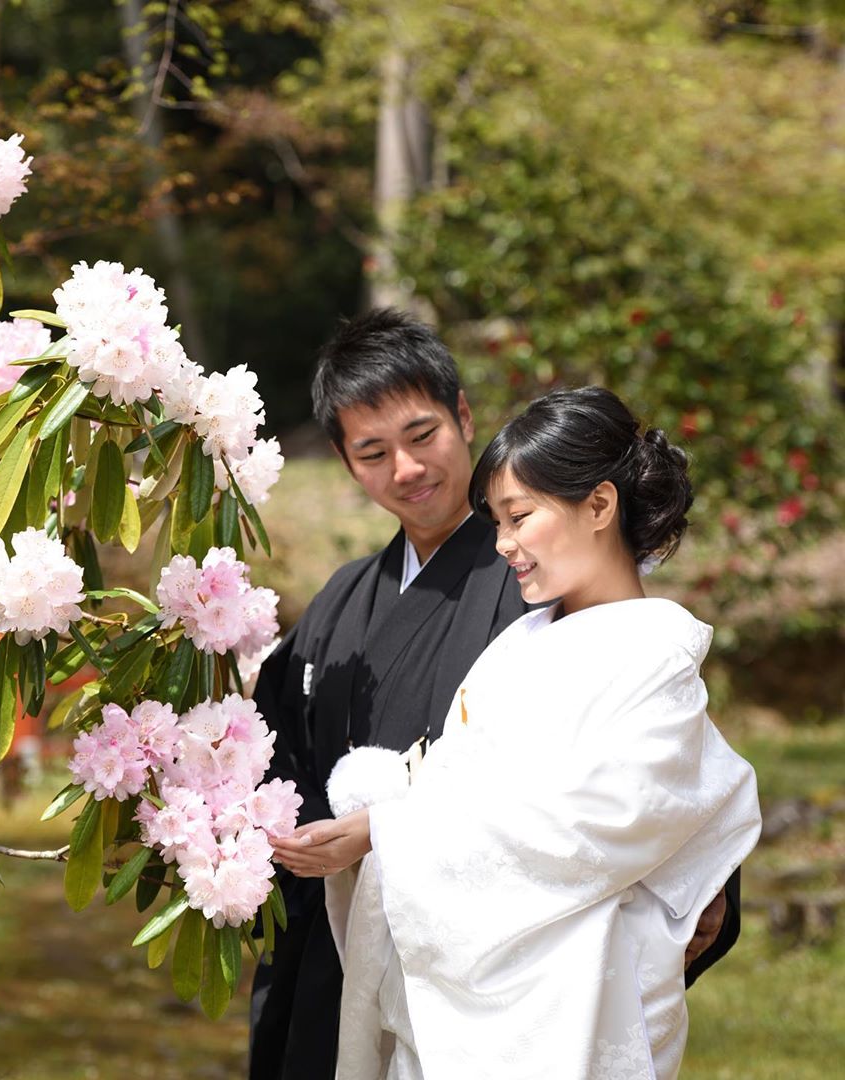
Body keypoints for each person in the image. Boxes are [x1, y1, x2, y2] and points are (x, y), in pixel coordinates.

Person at [249, 313, 740, 1080]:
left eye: (423, 435)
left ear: (463, 416)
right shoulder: (343, 602)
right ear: (346, 462)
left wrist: (703, 881)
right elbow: (272, 752)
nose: (406, 468)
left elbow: (645, 785)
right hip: (350, 942)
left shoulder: (549, 591)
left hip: (508, 966)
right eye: (374, 452)